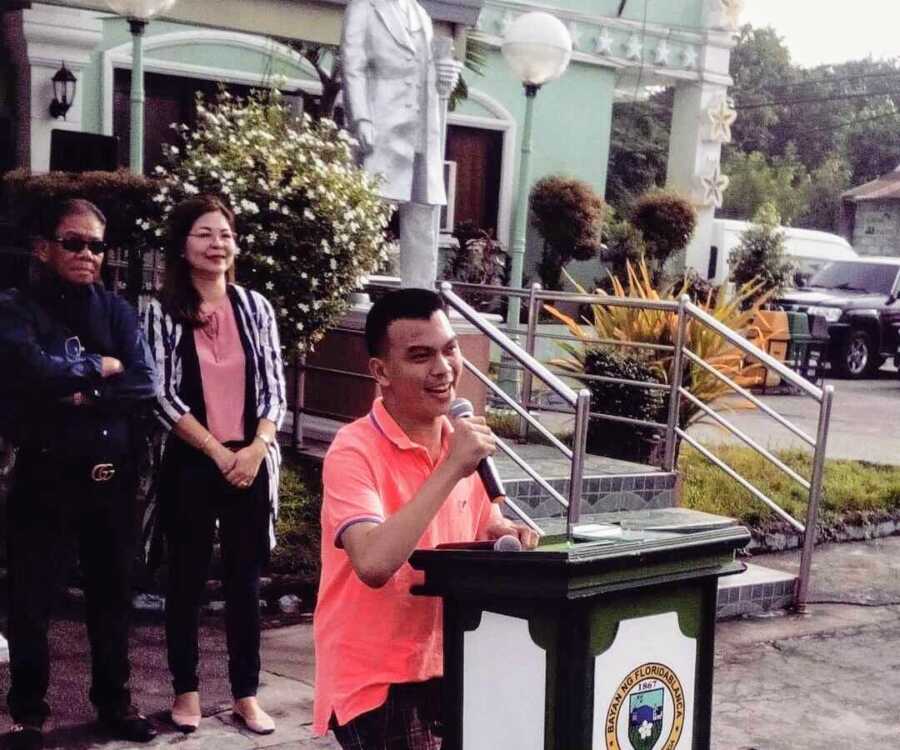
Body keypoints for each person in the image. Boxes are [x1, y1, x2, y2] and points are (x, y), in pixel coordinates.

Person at [312, 288, 539, 749]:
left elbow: (480, 523)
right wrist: (451, 468)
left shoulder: (461, 438)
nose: (443, 368)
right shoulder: (353, 450)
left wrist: (502, 533)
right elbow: (373, 562)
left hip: (451, 657)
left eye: (450, 349)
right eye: (420, 356)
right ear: (381, 371)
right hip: (378, 679)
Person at [0, 198, 158, 750]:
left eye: (96, 244)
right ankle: (27, 714)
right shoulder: (15, 309)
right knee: (30, 602)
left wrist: (76, 388)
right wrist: (98, 369)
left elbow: (142, 383)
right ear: (44, 247)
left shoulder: (116, 310)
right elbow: (30, 374)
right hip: (44, 478)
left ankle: (115, 704)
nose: (88, 254)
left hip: (111, 478)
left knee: (113, 599)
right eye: (74, 242)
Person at [143, 195, 286, 736]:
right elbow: (161, 396)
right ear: (184, 245)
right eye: (204, 234)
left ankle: (247, 695)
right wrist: (219, 453)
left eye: (224, 234)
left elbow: (274, 389)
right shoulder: (161, 312)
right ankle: (186, 693)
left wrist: (253, 449)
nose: (216, 244)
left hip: (250, 460)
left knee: (245, 583)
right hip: (193, 461)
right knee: (185, 580)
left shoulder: (256, 307)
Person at [341, 0, 462, 289]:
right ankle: (351, 286)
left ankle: (419, 292)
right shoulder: (365, 7)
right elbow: (352, 65)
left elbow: (428, 73)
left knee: (422, 212)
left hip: (422, 130)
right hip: (383, 123)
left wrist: (447, 76)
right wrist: (361, 119)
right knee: (370, 210)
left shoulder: (421, 14)